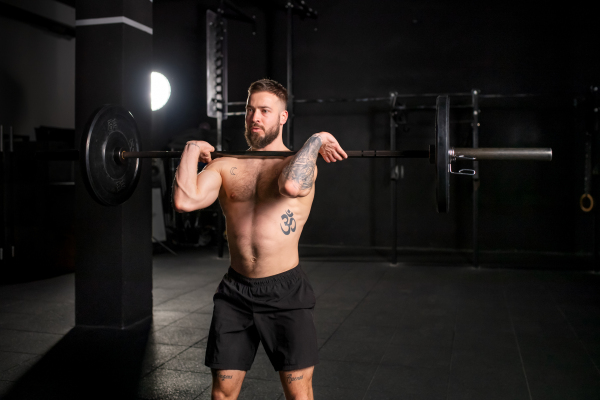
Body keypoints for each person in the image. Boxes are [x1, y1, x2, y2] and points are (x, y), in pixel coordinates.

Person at [172, 78, 347, 400]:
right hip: (235, 292)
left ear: (283, 117)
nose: (255, 117)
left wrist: (317, 139)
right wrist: (191, 149)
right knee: (222, 393)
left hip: (286, 291)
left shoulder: (298, 163)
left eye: (265, 110)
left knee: (298, 394)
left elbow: (292, 188)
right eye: (250, 110)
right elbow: (186, 201)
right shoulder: (227, 165)